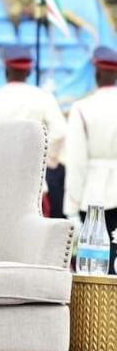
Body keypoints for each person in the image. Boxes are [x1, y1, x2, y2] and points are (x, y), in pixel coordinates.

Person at [0, 46, 67, 216]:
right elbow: (59, 132)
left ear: (6, 69)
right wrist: (44, 157)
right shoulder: (44, 98)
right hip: (33, 179)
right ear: (29, 71)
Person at [64, 46, 117, 274]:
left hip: (92, 196)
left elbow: (76, 162)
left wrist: (71, 207)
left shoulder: (82, 108)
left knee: (95, 271)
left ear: (96, 73)